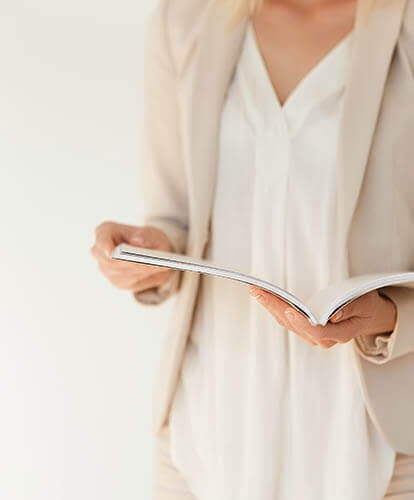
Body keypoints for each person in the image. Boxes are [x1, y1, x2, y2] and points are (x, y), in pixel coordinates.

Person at [91, 0, 414, 497]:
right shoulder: (184, 24)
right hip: (208, 427)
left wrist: (389, 317)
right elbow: (175, 218)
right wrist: (150, 253)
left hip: (376, 441)